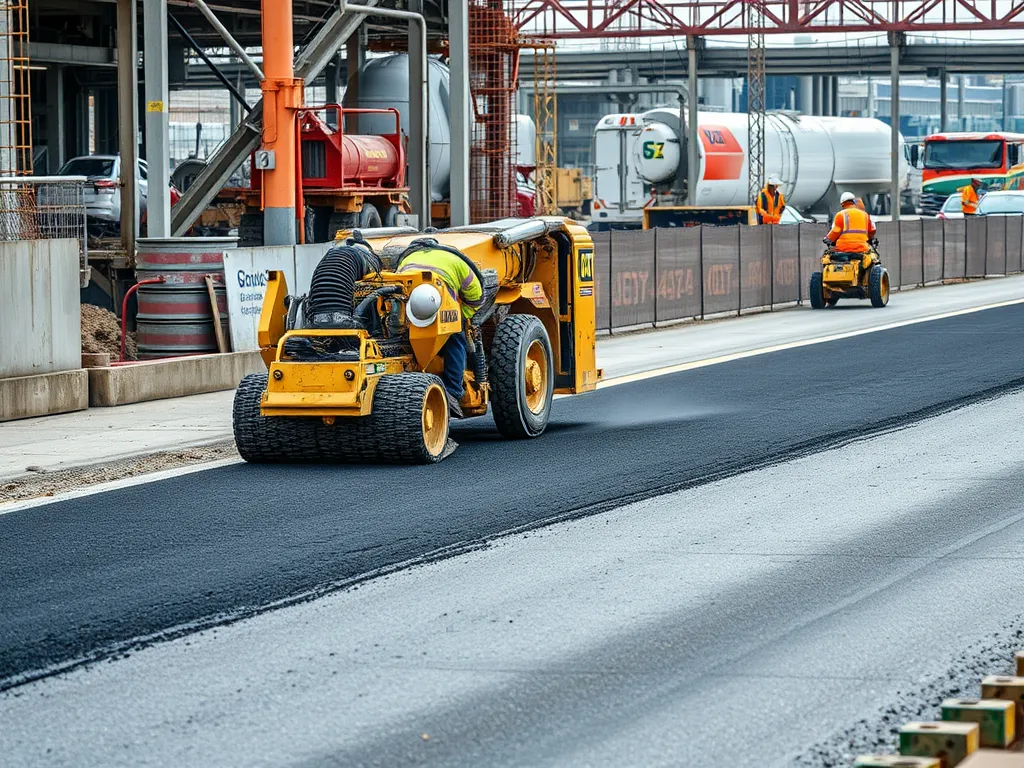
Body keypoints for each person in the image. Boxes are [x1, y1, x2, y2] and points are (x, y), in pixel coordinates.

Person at [398, 245, 483, 417]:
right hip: (434, 302)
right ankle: (453, 391)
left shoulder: (406, 260)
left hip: (411, 308)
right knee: (455, 339)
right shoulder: (457, 261)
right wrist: (462, 316)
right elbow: (476, 298)